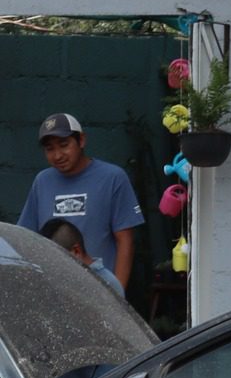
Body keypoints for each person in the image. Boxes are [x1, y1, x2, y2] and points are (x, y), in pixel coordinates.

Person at [17, 113, 144, 290]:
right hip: (55, 292)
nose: (58, 155)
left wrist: (117, 295)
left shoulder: (112, 178)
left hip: (99, 291)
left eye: (64, 145)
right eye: (49, 149)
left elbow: (125, 241)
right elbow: (26, 239)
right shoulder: (42, 181)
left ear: (82, 140)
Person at [39, 218, 125, 293]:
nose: (53, 268)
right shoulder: (58, 282)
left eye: (57, 261)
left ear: (76, 251)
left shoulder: (108, 284)